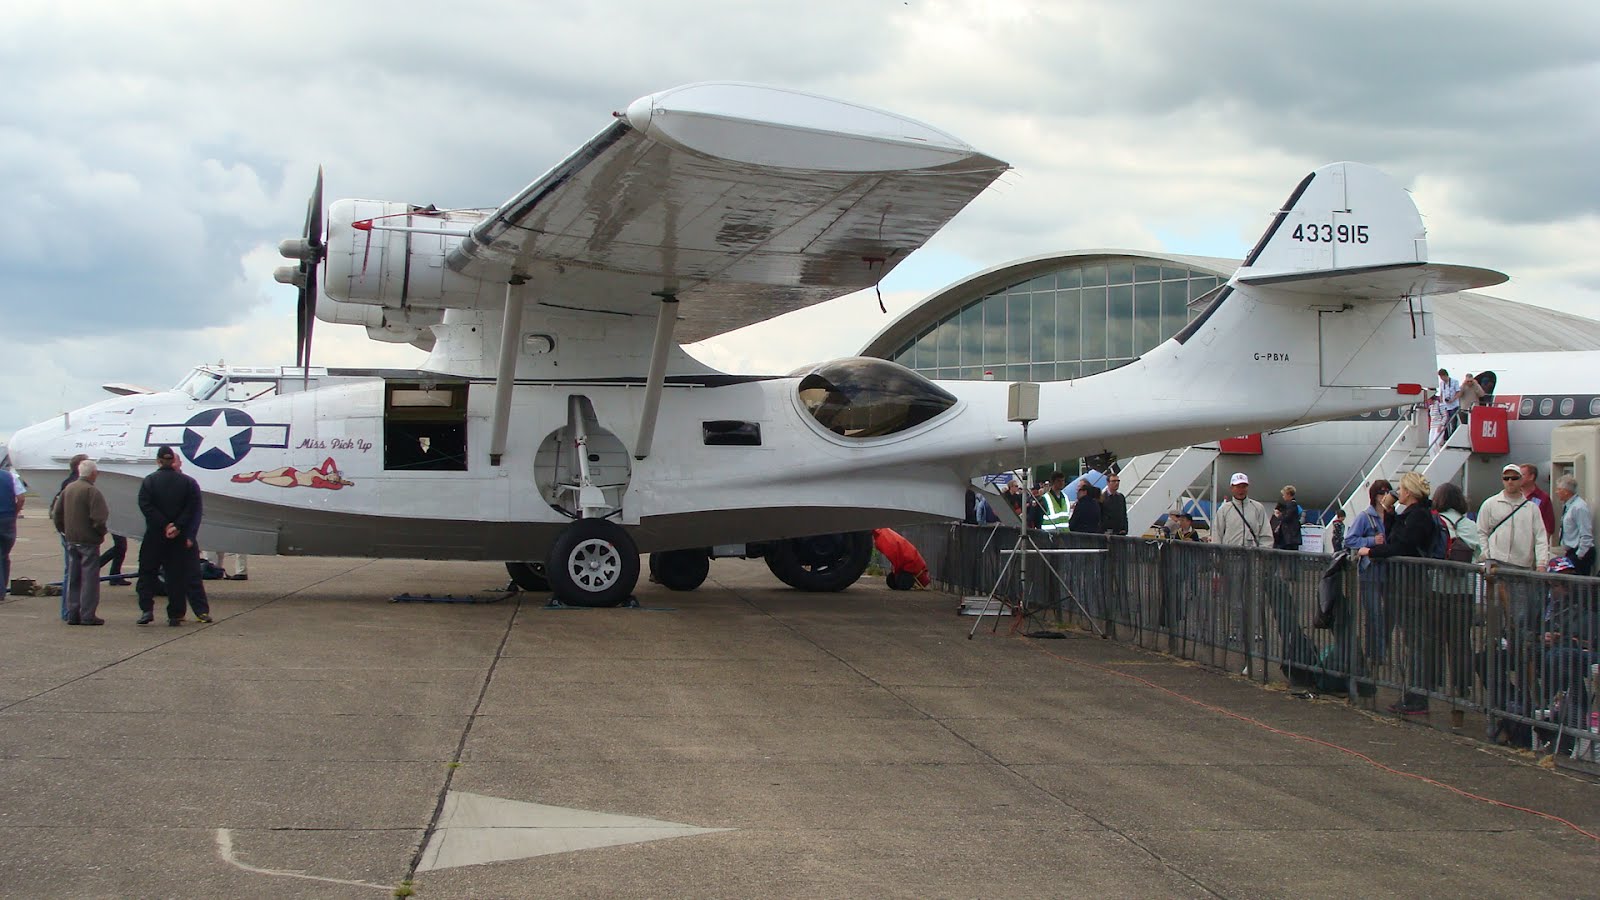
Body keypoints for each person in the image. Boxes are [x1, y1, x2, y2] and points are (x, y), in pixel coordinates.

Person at [1357, 471, 1441, 715]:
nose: (1397, 494)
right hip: (1404, 583)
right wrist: (1391, 513)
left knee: (1415, 641)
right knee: (1411, 640)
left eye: (1401, 490)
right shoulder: (1411, 515)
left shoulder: (1419, 517)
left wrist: (1371, 552)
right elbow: (1395, 536)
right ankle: (1412, 693)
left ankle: (1417, 695)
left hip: (1411, 584)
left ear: (1410, 492)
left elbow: (1400, 545)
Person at [1432, 482, 1482, 721]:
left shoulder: (1436, 522)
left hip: (1438, 587)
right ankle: (1462, 688)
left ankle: (1433, 682)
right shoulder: (1469, 525)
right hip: (1464, 590)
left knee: (1435, 638)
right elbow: (1479, 551)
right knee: (1461, 641)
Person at [135, 446, 200, 626]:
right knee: (176, 576)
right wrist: (177, 525)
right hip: (177, 536)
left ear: (157, 461)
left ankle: (146, 609)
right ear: (173, 461)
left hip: (155, 535)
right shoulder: (186, 482)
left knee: (147, 573)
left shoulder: (149, 481)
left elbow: (145, 505)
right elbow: (191, 507)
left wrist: (164, 524)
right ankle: (175, 614)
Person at [51, 459, 109, 625]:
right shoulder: (92, 492)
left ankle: (72, 613)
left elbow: (57, 514)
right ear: (92, 473)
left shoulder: (68, 489)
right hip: (88, 541)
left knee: (73, 578)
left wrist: (64, 530)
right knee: (89, 579)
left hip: (71, 539)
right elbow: (99, 519)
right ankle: (87, 614)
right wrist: (100, 534)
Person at [1344, 479, 1395, 665]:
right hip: (1370, 570)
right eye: (1381, 493)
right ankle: (1376, 654)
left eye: (1387, 494)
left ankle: (1379, 650)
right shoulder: (1365, 517)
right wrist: (1372, 541)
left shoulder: (1392, 517)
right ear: (1374, 496)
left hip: (1388, 571)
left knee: (1389, 615)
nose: (1384, 497)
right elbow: (1349, 540)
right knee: (1374, 613)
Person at [51, 453, 90, 620]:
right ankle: (69, 610)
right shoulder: (77, 485)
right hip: (75, 536)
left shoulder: (67, 484)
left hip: (69, 533)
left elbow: (56, 511)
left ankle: (71, 610)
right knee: (73, 573)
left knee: (73, 572)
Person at [1212, 473, 1271, 549]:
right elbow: (1217, 534)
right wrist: (1217, 555)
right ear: (1232, 488)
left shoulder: (1258, 508)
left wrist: (1264, 553)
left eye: (1244, 487)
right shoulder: (1224, 509)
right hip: (1230, 557)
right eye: (1238, 487)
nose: (1241, 490)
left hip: (1252, 557)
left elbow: (1266, 533)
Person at [1553, 475, 1593, 575]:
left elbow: (1586, 532)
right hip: (1571, 552)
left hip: (1579, 552)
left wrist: (1579, 555)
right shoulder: (1568, 506)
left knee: (1579, 587)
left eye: (1559, 489)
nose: (1556, 492)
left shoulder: (1579, 507)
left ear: (1566, 491)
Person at [0, 462, 25, 600]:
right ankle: (2, 588)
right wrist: (14, 513)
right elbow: (21, 498)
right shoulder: (11, 476)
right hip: (8, 519)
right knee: (4, 555)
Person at [1518, 463, 1557, 538]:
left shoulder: (1543, 498)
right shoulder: (1512, 496)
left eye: (1522, 475)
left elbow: (1549, 526)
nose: (1518, 478)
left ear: (1531, 477)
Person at [1272, 485, 1303, 551]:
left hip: (1290, 537)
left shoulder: (1291, 505)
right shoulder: (1292, 505)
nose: (1283, 497)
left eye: (1284, 495)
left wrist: (1278, 515)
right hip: (1291, 537)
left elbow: (1287, 517)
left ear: (1288, 494)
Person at [1436, 368, 1460, 438]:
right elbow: (1441, 394)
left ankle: (1453, 437)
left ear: (1445, 375)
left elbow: (1458, 392)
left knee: (1453, 422)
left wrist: (1452, 399)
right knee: (1444, 422)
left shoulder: (1455, 382)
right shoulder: (1441, 383)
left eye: (1442, 377)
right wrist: (1441, 404)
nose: (1441, 379)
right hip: (1445, 406)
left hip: (1454, 406)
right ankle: (1445, 437)